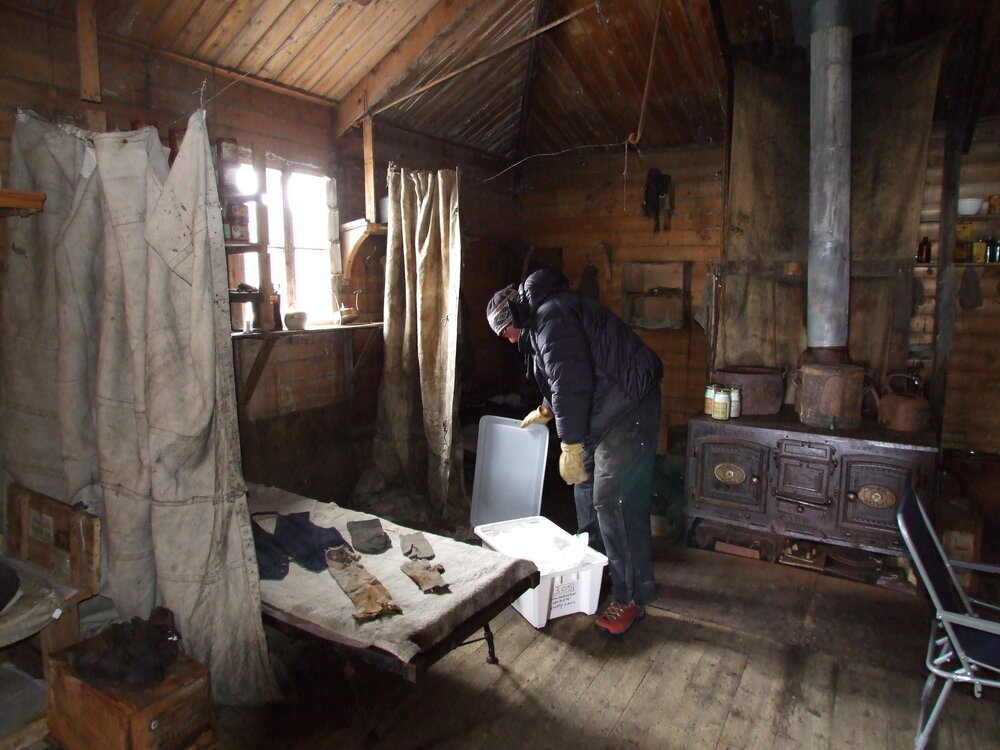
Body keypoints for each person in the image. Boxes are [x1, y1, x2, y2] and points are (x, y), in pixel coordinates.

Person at [486, 267, 662, 636]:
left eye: (506, 332)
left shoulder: (551, 315)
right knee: (584, 488)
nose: (507, 340)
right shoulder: (539, 325)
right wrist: (548, 410)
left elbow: (571, 380)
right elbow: (561, 374)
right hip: (604, 406)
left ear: (515, 316)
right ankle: (597, 573)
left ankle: (631, 597)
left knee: (612, 499)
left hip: (629, 404)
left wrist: (569, 443)